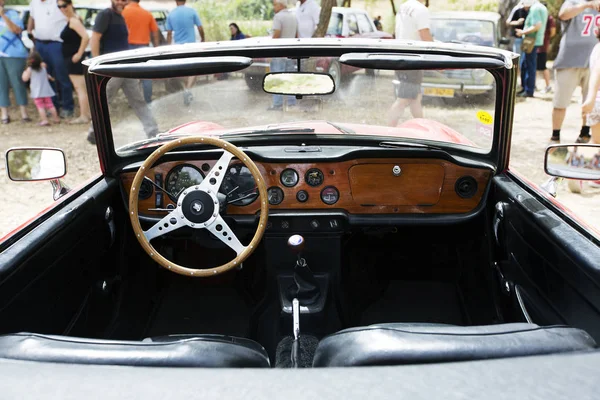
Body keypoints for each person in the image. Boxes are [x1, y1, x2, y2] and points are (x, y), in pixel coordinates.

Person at [87, 0, 159, 144]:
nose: (121, 1)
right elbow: (95, 38)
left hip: (124, 67)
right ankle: (94, 132)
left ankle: (153, 131)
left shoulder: (120, 16)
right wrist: (96, 64)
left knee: (138, 99)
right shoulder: (105, 15)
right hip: (110, 68)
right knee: (104, 100)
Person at [550, 0, 600, 145]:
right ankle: (555, 135)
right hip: (569, 59)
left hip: (594, 61)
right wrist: (586, 5)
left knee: (590, 101)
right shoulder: (572, 1)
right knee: (561, 100)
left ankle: (584, 133)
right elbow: (563, 15)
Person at [388, 0, 433, 126]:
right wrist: (437, 53)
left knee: (415, 98)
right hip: (413, 59)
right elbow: (424, 34)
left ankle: (422, 129)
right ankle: (389, 130)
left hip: (402, 56)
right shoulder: (421, 9)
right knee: (403, 99)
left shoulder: (404, 7)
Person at [27, 0, 74, 118]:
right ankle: (52, 106)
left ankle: (67, 107)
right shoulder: (34, 2)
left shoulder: (58, 2)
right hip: (40, 43)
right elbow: (32, 17)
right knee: (46, 77)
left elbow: (71, 14)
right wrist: (29, 31)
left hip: (57, 44)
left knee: (62, 76)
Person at [166, 0, 205, 106]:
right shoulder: (192, 11)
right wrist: (203, 39)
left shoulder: (171, 14)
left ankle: (186, 89)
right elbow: (200, 27)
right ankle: (188, 89)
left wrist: (168, 47)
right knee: (194, 69)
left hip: (178, 47)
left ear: (175, 1)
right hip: (191, 46)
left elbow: (169, 33)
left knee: (182, 69)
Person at [57, 0, 90, 124]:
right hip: (70, 58)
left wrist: (79, 53)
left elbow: (85, 36)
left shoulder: (74, 21)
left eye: (64, 6)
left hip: (74, 59)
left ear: (70, 4)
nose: (62, 9)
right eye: (59, 7)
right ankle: (86, 114)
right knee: (82, 88)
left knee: (80, 88)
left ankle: (84, 116)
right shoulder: (73, 19)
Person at [123, 0, 160, 104]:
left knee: (131, 76)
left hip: (128, 47)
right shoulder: (146, 13)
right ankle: (147, 101)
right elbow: (155, 31)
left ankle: (134, 101)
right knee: (146, 76)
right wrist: (156, 48)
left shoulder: (123, 12)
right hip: (144, 48)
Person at [0, 0, 31, 124]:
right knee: (1, 85)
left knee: (17, 82)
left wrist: (3, 15)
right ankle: (4, 115)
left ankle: (24, 113)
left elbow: (17, 30)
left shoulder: (12, 13)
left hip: (14, 54)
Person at [515, 0, 547, 98]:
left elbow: (537, 25)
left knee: (529, 66)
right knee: (525, 64)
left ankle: (529, 90)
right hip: (533, 41)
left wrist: (523, 32)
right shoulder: (541, 7)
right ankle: (525, 88)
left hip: (531, 41)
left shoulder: (535, 8)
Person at [269, 0, 297, 111]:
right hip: (290, 53)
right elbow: (296, 35)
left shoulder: (278, 17)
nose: (273, 7)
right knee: (290, 78)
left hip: (279, 53)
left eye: (275, 4)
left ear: (281, 5)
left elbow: (276, 34)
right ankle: (291, 102)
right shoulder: (293, 16)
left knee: (277, 78)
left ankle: (277, 104)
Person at [21, 52, 60, 126]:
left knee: (40, 106)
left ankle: (45, 120)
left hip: (37, 92)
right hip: (46, 90)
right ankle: (56, 119)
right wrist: (52, 78)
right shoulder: (43, 68)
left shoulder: (30, 69)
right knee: (50, 105)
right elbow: (47, 76)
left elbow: (25, 79)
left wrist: (24, 73)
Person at [581, 29, 600, 145]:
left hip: (596, 103)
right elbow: (597, 71)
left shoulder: (597, 47)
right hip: (597, 102)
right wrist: (591, 98)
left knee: (597, 142)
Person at [506, 1, 528, 86]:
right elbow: (508, 22)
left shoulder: (532, 9)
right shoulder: (517, 9)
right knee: (518, 62)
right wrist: (517, 22)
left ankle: (525, 83)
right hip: (518, 39)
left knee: (527, 62)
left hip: (529, 39)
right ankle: (516, 82)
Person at [537, 7, 555, 94]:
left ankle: (548, 86)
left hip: (542, 46)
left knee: (543, 66)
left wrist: (546, 37)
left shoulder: (549, 18)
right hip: (537, 46)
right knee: (536, 67)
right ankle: (534, 86)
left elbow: (553, 31)